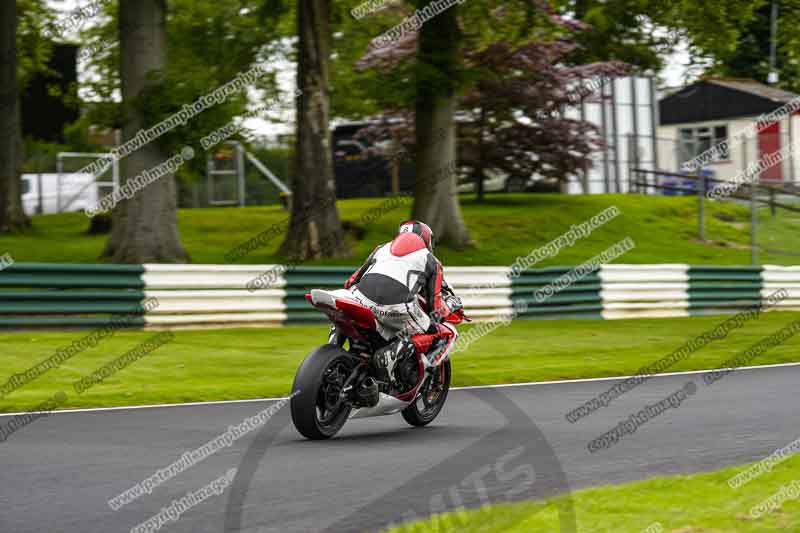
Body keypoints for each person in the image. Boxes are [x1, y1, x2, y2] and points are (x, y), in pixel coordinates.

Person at [342, 220, 462, 374]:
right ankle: (391, 354)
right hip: (397, 307)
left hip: (360, 299)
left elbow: (351, 281)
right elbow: (434, 305)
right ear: (426, 239)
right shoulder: (431, 261)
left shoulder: (381, 248)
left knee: (344, 311)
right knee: (434, 330)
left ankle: (335, 346)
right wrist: (441, 316)